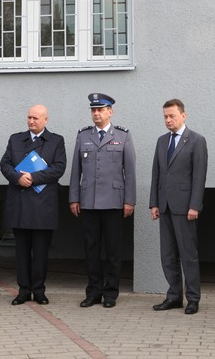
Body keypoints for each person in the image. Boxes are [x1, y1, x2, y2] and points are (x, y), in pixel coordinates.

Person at [69, 93, 136, 308]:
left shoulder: (123, 136)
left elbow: (130, 171)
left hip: (114, 202)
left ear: (110, 111)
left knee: (113, 250)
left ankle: (110, 293)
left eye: (101, 110)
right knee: (91, 249)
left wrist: (129, 201)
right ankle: (93, 292)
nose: (96, 113)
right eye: (93, 110)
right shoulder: (83, 136)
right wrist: (74, 198)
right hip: (88, 202)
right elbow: (75, 171)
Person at [0, 105, 66, 305]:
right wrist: (17, 179)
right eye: (29, 117)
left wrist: (34, 177)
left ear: (46, 119)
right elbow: (5, 164)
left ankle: (38, 290)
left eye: (36, 118)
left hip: (43, 206)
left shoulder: (56, 141)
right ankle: (23, 291)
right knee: (21, 251)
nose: (31, 121)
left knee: (40, 252)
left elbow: (59, 168)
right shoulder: (15, 139)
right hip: (20, 203)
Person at [149, 99, 208, 315]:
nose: (168, 120)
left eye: (172, 115)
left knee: (187, 254)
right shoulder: (161, 141)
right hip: (164, 206)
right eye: (165, 116)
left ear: (183, 115)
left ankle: (193, 298)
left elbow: (199, 177)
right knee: (167, 255)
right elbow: (157, 173)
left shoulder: (196, 141)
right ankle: (173, 296)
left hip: (185, 208)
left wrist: (195, 205)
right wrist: (154, 203)